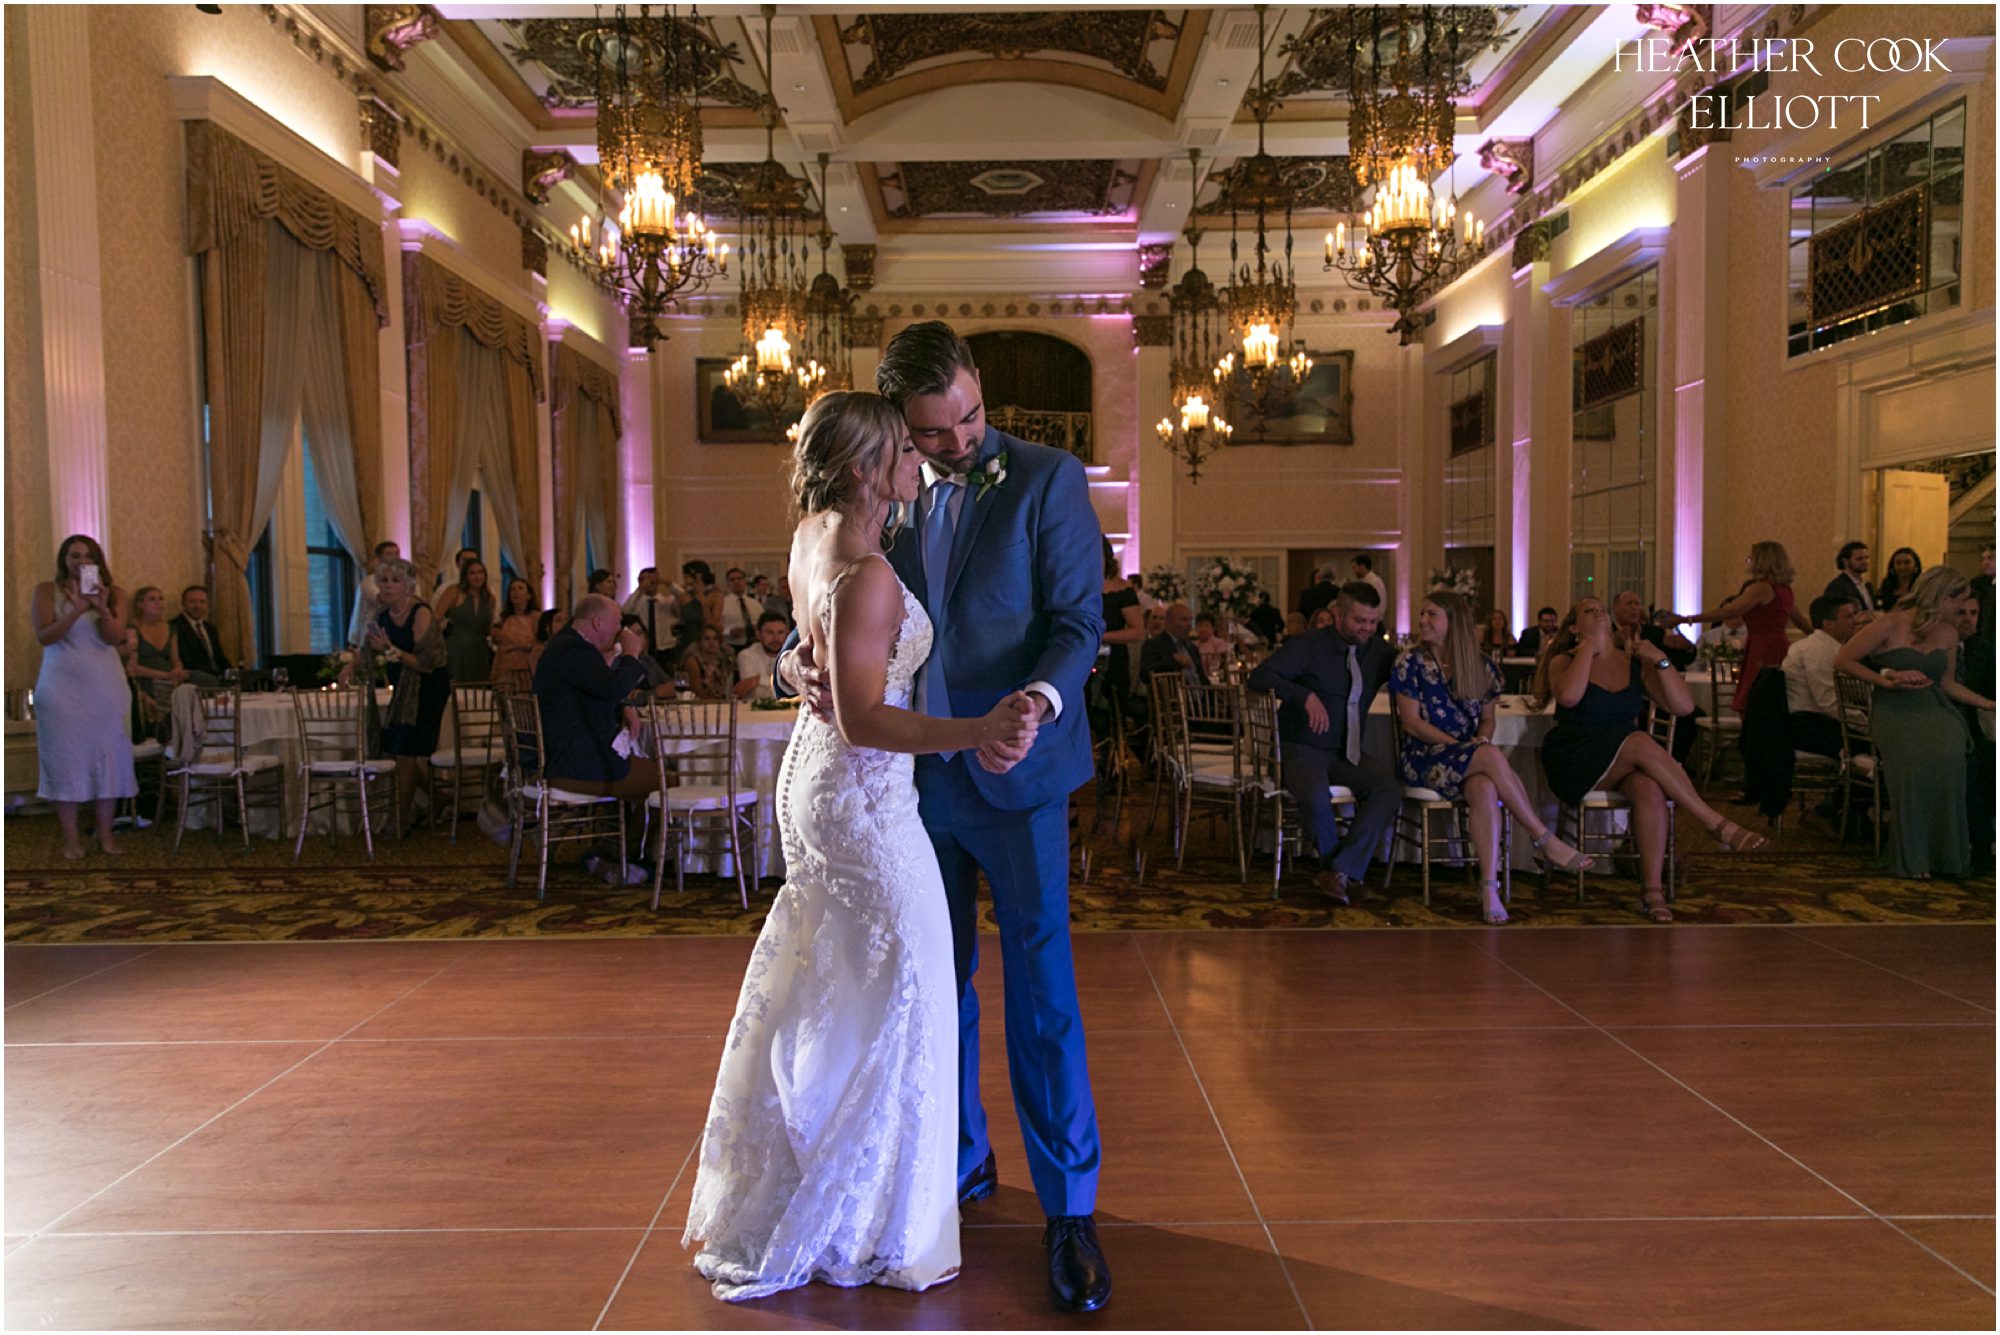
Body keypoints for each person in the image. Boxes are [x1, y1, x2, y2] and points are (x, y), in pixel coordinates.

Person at [774, 325, 1110, 1311]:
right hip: (907, 787)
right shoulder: (882, 491)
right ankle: (956, 1164)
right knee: (933, 985)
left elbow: (1075, 624)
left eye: (967, 415)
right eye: (933, 431)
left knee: (1041, 990)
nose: (958, 440)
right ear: (896, 431)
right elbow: (828, 599)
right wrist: (799, 659)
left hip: (1018, 774)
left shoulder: (1048, 479)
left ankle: (1070, 1208)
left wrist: (1035, 709)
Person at [684, 389, 1040, 1303]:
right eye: (899, 450)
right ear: (862, 469)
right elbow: (866, 717)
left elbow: (816, 658)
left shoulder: (811, 536)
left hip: (819, 786)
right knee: (910, 988)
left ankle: (829, 1172)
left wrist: (801, 664)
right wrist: (977, 730)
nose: (918, 459)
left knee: (841, 984)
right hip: (862, 798)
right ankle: (876, 1215)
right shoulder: (870, 569)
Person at [1535, 598, 1767, 924]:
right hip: (1576, 758)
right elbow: (1569, 697)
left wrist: (1659, 659)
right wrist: (1588, 648)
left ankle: (1652, 891)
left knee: (1649, 789)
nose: (1599, 612)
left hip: (1623, 758)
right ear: (1573, 627)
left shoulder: (1633, 662)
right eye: (1589, 611)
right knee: (1639, 740)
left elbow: (1683, 707)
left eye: (1601, 608)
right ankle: (1712, 821)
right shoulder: (1564, 659)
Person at [1390, 590, 1592, 924]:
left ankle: (1488, 888)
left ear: (1453, 622)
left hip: (1470, 758)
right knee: (1489, 756)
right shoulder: (1408, 662)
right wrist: (1465, 747)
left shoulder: (1480, 665)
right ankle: (1544, 838)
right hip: (1424, 758)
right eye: (1422, 613)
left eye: (1432, 615)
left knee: (1485, 787)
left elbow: (1487, 718)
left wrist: (1479, 742)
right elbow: (1412, 723)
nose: (1423, 620)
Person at [1247, 581, 1401, 905]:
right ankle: (1344, 874)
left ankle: (1339, 872)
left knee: (1388, 787)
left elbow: (1410, 676)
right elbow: (1260, 677)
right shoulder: (1307, 645)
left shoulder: (1380, 652)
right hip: (1302, 747)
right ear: (1338, 615)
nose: (1367, 628)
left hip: (1347, 752)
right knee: (1315, 796)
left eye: (1374, 621)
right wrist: (1303, 694)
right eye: (1360, 621)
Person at [1835, 567, 1991, 879]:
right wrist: (1886, 679)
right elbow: (1844, 660)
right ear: (1942, 596)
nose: (1961, 612)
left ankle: (1947, 856)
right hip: (1896, 712)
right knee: (1918, 765)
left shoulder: (1947, 633)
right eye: (1958, 604)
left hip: (1935, 709)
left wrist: (1988, 703)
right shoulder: (1891, 623)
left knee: (1951, 759)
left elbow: (1947, 684)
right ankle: (1913, 856)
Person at [32, 535, 139, 859]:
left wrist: (103, 609)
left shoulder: (115, 592)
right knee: (66, 759)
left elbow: (115, 638)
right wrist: (76, 610)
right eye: (74, 555)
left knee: (107, 757)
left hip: (104, 685)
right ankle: (71, 839)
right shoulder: (47, 591)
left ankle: (105, 835)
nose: (81, 561)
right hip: (62, 688)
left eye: (88, 556)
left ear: (97, 561)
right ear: (64, 559)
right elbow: (45, 636)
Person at [349, 558, 451, 833]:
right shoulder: (380, 614)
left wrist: (390, 648)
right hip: (403, 688)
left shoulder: (420, 612)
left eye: (395, 581)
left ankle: (401, 819)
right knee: (401, 749)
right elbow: (367, 648)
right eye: (384, 580)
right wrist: (349, 666)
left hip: (427, 687)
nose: (389, 585)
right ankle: (439, 797)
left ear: (408, 585)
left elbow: (428, 661)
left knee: (406, 752)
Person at [533, 595, 665, 801]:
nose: (620, 631)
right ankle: (635, 834)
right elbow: (614, 688)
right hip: (578, 762)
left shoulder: (566, 644)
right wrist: (631, 655)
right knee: (669, 781)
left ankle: (618, 831)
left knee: (653, 771)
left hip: (568, 754)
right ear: (597, 622)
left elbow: (597, 689)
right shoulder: (574, 651)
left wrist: (623, 707)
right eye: (617, 622)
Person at [1676, 541, 1810, 711]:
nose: (1749, 563)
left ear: (1761, 561)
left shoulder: (1760, 588)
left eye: (1751, 558)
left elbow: (1729, 612)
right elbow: (1800, 621)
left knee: (1754, 698)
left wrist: (1686, 619)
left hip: (1762, 646)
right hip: (1779, 645)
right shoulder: (1785, 590)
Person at [125, 585, 188, 724]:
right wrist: (164, 675)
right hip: (147, 679)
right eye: (152, 599)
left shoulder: (170, 628)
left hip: (168, 677)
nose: (159, 603)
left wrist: (177, 671)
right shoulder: (133, 629)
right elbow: (133, 667)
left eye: (161, 598)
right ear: (140, 605)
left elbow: (175, 659)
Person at [1097, 538, 1143, 716]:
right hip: (1084, 656)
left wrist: (1102, 636)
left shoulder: (1122, 590)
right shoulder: (1079, 585)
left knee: (1113, 711)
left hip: (1113, 659)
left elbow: (1137, 631)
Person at [434, 558, 496, 684]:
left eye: (480, 572)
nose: (477, 577)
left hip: (479, 650)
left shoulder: (489, 598)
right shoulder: (454, 592)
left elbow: (489, 627)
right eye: (472, 573)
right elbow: (435, 619)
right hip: (456, 647)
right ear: (466, 576)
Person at [170, 585, 231, 684]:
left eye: (202, 602)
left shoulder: (210, 629)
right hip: (194, 682)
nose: (198, 606)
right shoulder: (174, 627)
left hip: (219, 680)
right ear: (183, 604)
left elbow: (219, 657)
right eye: (192, 602)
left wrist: (233, 674)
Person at [621, 566, 678, 670]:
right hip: (643, 650)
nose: (650, 582)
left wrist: (668, 583)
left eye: (653, 579)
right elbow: (625, 612)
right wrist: (641, 589)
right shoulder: (636, 602)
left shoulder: (668, 601)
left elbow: (684, 601)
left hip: (666, 651)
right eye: (645, 579)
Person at [1141, 602, 1210, 686]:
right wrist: (1173, 659)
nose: (1189, 625)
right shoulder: (1155, 644)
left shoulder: (1192, 648)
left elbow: (1203, 679)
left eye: (1190, 620)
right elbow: (1145, 674)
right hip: (1174, 696)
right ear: (1169, 623)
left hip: (1200, 695)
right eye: (1184, 620)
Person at [347, 539, 401, 647]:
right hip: (371, 631)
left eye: (397, 553)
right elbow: (381, 599)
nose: (395, 557)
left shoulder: (405, 580)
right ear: (379, 559)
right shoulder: (369, 581)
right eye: (389, 554)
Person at [491, 578, 540, 687]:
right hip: (505, 668)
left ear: (528, 595)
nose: (516, 592)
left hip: (525, 669)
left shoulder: (536, 618)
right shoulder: (504, 619)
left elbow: (536, 642)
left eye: (520, 588)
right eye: (512, 589)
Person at [731, 611, 788, 700]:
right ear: (758, 634)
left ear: (787, 634)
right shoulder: (746, 655)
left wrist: (758, 680)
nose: (776, 638)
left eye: (780, 632)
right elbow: (754, 692)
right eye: (770, 632)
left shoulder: (794, 655)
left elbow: (796, 686)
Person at [678, 623, 733, 701]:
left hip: (721, 703)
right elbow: (698, 693)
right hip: (700, 704)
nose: (711, 642)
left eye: (715, 638)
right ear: (699, 642)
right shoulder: (693, 662)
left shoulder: (722, 660)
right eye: (707, 638)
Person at [716, 566, 765, 652]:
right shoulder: (722, 604)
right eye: (732, 580)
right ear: (727, 584)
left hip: (755, 646)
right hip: (731, 646)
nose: (736, 582)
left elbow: (764, 623)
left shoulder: (755, 604)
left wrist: (756, 628)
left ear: (745, 581)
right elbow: (716, 627)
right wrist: (729, 632)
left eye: (739, 578)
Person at [1824, 541, 1876, 612]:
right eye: (1859, 559)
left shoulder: (1868, 585)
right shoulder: (1837, 586)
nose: (1865, 562)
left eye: (1866, 557)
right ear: (1846, 562)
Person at [1874, 546, 1923, 610]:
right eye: (1898, 563)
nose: (1902, 567)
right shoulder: (1885, 589)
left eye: (1907, 563)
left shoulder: (1922, 587)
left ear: (1915, 566)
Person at [1192, 612, 1233, 680]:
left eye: (1206, 626)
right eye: (1199, 626)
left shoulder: (1219, 643)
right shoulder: (1193, 645)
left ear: (1213, 628)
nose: (1202, 629)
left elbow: (1220, 663)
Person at [526, 608, 565, 679]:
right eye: (558, 620)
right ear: (546, 626)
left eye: (564, 620)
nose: (563, 624)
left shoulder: (561, 648)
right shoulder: (539, 650)